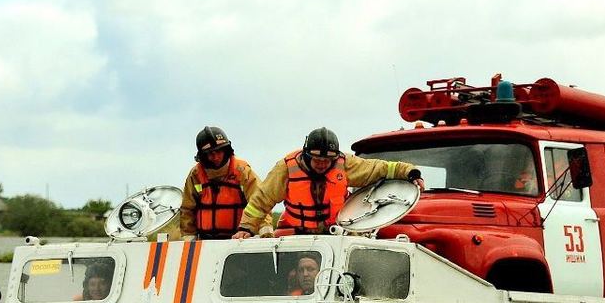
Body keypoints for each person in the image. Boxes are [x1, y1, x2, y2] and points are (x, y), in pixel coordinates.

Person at [231, 127, 424, 238]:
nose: (322, 164)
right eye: (317, 160)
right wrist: (245, 228)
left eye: (327, 160)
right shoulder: (286, 168)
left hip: (338, 233)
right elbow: (261, 200)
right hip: (298, 234)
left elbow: (380, 168)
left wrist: (410, 172)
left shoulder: (345, 164)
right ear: (306, 155)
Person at [180, 126, 270, 239]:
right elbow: (187, 209)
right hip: (205, 242)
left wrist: (265, 231)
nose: (216, 157)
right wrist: (189, 237)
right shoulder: (195, 175)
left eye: (219, 151)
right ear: (203, 156)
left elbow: (259, 201)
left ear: (226, 150)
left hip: (239, 240)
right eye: (210, 153)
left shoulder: (242, 171)